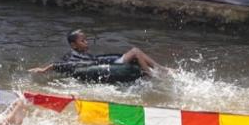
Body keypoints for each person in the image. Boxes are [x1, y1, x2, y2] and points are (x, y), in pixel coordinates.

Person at [29, 29, 164, 75]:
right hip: (113, 64)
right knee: (135, 51)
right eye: (83, 41)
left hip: (110, 62)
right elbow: (60, 65)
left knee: (136, 53)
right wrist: (43, 69)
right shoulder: (73, 57)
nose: (87, 43)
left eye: (86, 40)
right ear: (73, 45)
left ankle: (159, 68)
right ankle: (152, 75)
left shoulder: (79, 54)